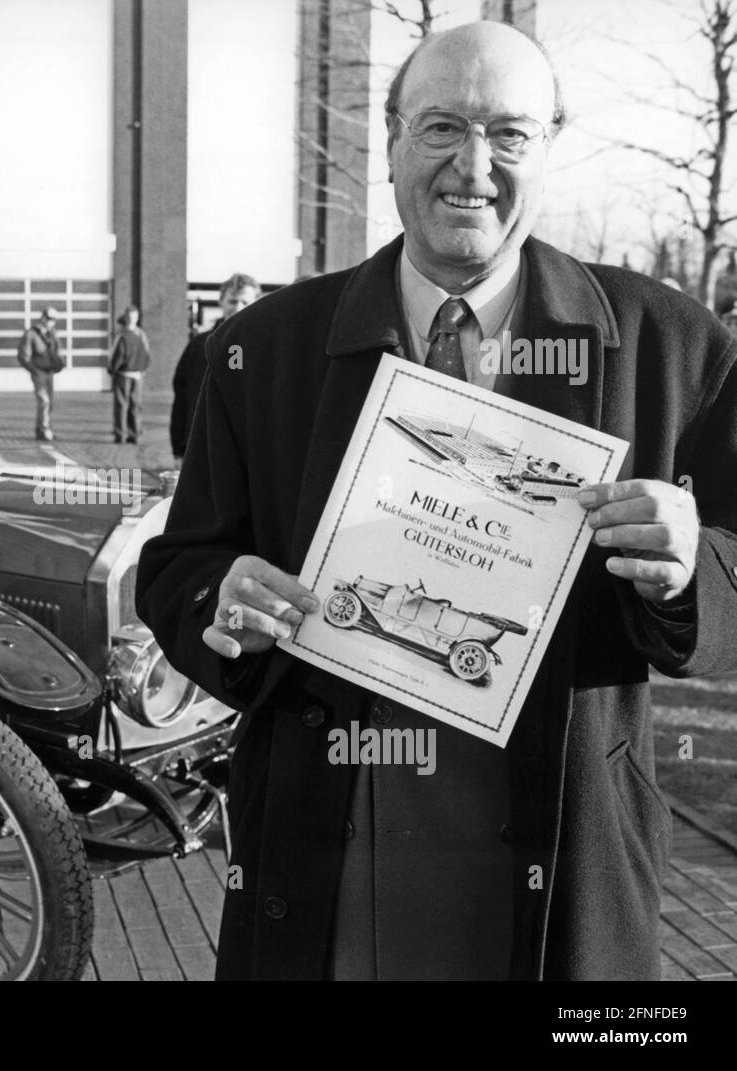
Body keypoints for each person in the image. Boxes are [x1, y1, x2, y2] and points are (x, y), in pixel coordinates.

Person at [136, 20, 737, 981]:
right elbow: (177, 572)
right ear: (391, 142)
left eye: (510, 134)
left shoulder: (673, 346)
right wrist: (221, 602)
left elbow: (735, 573)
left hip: (558, 870)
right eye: (442, 128)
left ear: (549, 147)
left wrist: (689, 564)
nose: (475, 166)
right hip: (332, 858)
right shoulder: (260, 351)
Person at [170, 273, 260, 460]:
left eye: (245, 302)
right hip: (201, 446)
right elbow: (182, 397)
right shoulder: (199, 346)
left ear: (256, 304)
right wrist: (179, 448)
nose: (237, 308)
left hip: (247, 450)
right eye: (232, 301)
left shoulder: (264, 348)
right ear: (221, 302)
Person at [17, 307, 64, 442]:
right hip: (38, 373)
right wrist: (33, 370)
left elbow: (57, 351)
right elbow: (23, 356)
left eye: (54, 320)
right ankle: (44, 430)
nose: (52, 322)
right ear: (43, 318)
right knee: (44, 401)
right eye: (50, 319)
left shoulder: (52, 334)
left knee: (50, 403)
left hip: (50, 372)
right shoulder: (31, 334)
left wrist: (60, 363)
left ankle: (41, 429)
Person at [108, 305, 150, 444]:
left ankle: (120, 434)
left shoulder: (123, 337)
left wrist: (112, 369)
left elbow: (117, 356)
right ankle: (135, 434)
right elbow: (146, 356)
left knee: (121, 405)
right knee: (135, 406)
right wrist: (141, 369)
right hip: (137, 375)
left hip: (124, 374)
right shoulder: (139, 336)